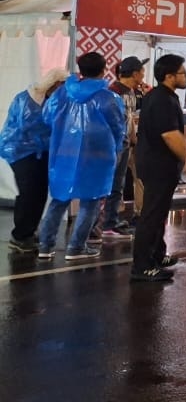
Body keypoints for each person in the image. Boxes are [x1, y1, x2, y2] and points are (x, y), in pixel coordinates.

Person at [36, 52, 126, 261]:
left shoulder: (62, 93)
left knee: (59, 199)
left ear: (80, 70)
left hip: (64, 154)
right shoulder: (108, 98)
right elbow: (117, 127)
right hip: (98, 157)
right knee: (90, 201)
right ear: (103, 70)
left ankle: (45, 246)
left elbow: (47, 117)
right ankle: (76, 247)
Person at [130, 55, 186, 282]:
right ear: (169, 76)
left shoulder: (162, 96)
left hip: (161, 165)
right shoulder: (162, 99)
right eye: (182, 73)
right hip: (157, 165)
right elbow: (170, 135)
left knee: (159, 213)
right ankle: (142, 266)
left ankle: (156, 254)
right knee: (151, 215)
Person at [1, 70, 65, 253]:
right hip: (21, 152)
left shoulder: (50, 100)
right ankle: (20, 235)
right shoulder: (27, 99)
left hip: (40, 152)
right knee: (29, 192)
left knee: (40, 192)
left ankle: (29, 231)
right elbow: (28, 125)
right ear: (54, 84)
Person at [97, 56, 146, 241]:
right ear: (134, 73)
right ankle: (107, 223)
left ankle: (112, 221)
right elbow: (113, 122)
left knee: (119, 184)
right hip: (114, 145)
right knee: (112, 184)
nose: (143, 75)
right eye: (141, 71)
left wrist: (133, 139)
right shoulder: (114, 92)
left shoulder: (131, 92)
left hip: (125, 143)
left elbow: (129, 119)